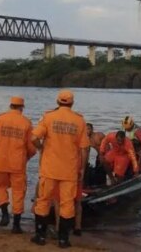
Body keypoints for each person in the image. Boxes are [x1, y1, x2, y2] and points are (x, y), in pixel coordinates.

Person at [31, 90, 89, 248]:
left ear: (58, 102)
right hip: (69, 171)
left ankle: (40, 236)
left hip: (49, 169)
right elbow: (84, 148)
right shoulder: (79, 121)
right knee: (67, 204)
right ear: (72, 103)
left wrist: (41, 147)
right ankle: (63, 240)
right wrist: (82, 169)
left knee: (43, 201)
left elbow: (34, 137)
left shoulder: (48, 117)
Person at [0, 96, 36, 234]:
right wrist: (26, 158)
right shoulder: (26, 123)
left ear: (10, 106)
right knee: (18, 192)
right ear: (22, 107)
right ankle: (16, 225)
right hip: (18, 164)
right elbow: (32, 148)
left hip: (1, 162)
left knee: (0, 187)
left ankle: (4, 213)